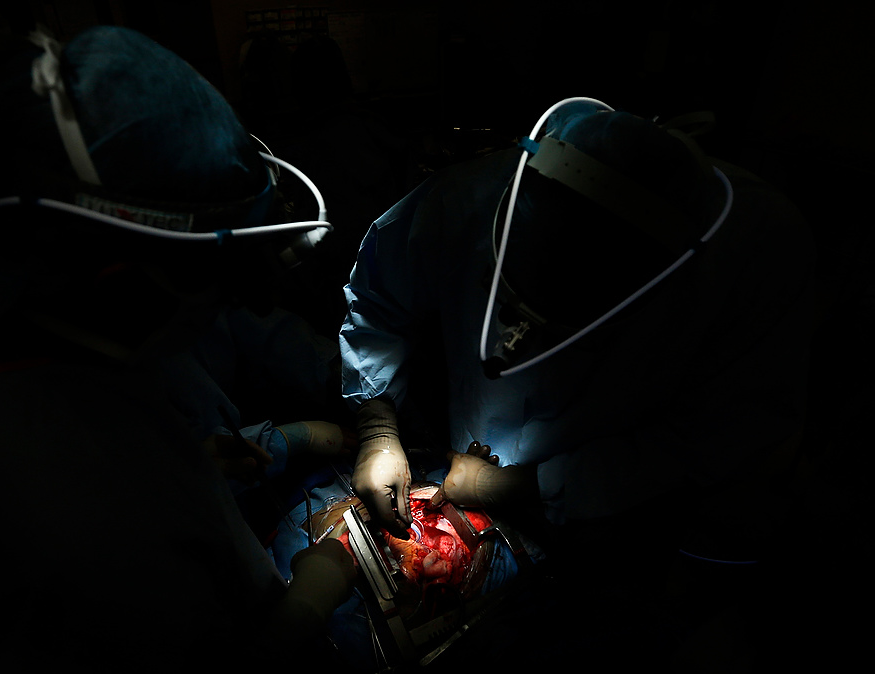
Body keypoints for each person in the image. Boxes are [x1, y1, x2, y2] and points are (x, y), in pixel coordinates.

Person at [0, 25, 359, 674]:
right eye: (214, 287)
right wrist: (305, 603)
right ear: (122, 281)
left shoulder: (12, 329)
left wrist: (218, 458)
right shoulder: (82, 533)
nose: (223, 310)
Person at [341, 98, 814, 565]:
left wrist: (540, 487)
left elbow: (717, 435)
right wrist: (378, 426)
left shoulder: (755, 261)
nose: (520, 344)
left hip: (615, 516)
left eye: (567, 321)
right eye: (515, 302)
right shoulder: (469, 199)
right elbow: (379, 301)